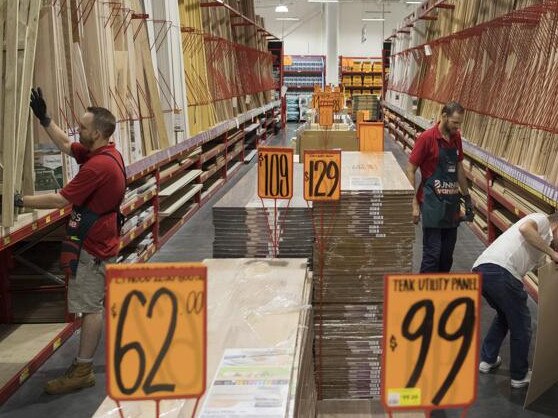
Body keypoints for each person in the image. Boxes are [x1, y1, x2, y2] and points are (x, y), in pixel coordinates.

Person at [14, 88, 126, 395]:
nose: (79, 131)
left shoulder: (98, 166)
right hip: (100, 238)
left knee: (90, 308)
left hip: (93, 247)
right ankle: (83, 364)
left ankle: (83, 369)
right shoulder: (102, 152)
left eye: (85, 128)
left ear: (100, 133)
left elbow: (60, 199)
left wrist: (18, 201)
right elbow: (65, 143)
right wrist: (45, 118)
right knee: (92, 305)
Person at [474, 213, 558, 388]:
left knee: (504, 316)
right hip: (502, 272)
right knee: (522, 324)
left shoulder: (541, 241)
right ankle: (519, 376)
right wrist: (553, 253)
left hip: (482, 270)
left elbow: (543, 267)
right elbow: (525, 229)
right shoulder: (541, 219)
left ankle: (487, 360)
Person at [406, 101, 473, 273]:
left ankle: (440, 296)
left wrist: (466, 197)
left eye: (460, 123)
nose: (457, 127)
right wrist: (413, 204)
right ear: (444, 116)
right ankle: (424, 297)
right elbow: (411, 169)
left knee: (446, 256)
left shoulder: (455, 138)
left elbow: (458, 168)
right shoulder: (427, 138)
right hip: (431, 204)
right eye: (455, 122)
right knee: (432, 254)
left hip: (451, 204)